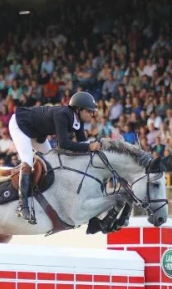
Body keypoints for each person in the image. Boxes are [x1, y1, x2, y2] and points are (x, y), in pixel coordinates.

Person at [8, 91, 102, 223]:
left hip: (37, 133)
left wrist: (98, 148)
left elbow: (82, 143)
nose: (92, 114)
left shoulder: (78, 120)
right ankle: (22, 205)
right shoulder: (62, 114)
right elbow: (64, 144)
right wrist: (89, 147)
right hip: (20, 125)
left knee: (52, 161)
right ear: (79, 109)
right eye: (89, 111)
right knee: (28, 160)